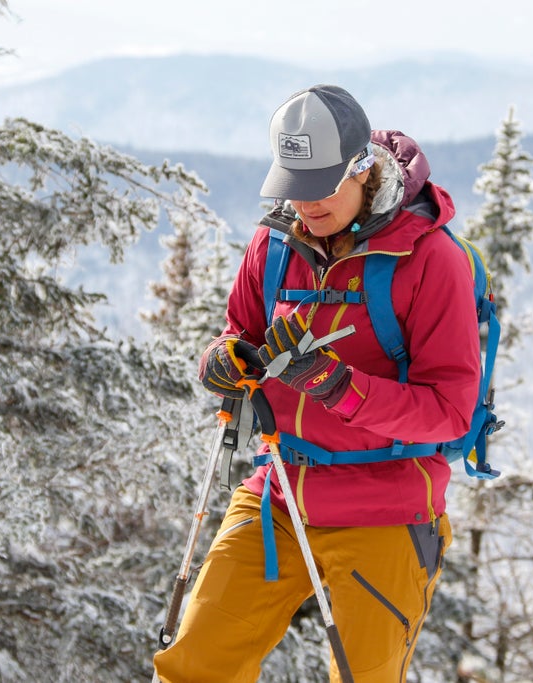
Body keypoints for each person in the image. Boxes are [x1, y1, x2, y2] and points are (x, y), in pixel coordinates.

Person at [152, 84, 481, 682]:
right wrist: (222, 362)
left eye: (322, 187)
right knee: (193, 667)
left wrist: (336, 385)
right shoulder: (274, 245)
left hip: (387, 507)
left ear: (363, 168)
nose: (306, 205)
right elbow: (239, 331)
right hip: (278, 490)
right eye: (295, 187)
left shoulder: (431, 261)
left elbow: (450, 411)